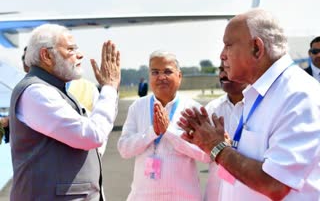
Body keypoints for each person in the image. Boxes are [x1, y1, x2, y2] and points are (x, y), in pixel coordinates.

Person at [178, 8, 320, 200]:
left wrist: (216, 147)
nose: (222, 55)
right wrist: (224, 146)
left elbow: (274, 184)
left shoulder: (298, 96)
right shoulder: (260, 93)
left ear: (256, 48)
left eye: (228, 45)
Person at [9, 24, 121, 200]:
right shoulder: (36, 93)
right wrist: (109, 88)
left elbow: (93, 142)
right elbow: (91, 135)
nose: (79, 55)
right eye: (70, 49)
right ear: (46, 56)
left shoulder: (57, 90)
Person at [117, 50, 209, 201]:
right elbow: (124, 149)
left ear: (179, 76)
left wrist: (170, 132)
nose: (161, 77)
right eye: (155, 72)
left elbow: (206, 155)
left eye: (167, 71)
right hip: (142, 196)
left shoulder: (193, 109)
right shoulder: (138, 107)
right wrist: (153, 132)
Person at [204, 62, 246, 201]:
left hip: (249, 191)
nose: (222, 75)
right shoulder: (212, 108)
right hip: (216, 192)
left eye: (227, 69)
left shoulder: (261, 107)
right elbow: (201, 153)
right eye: (220, 70)